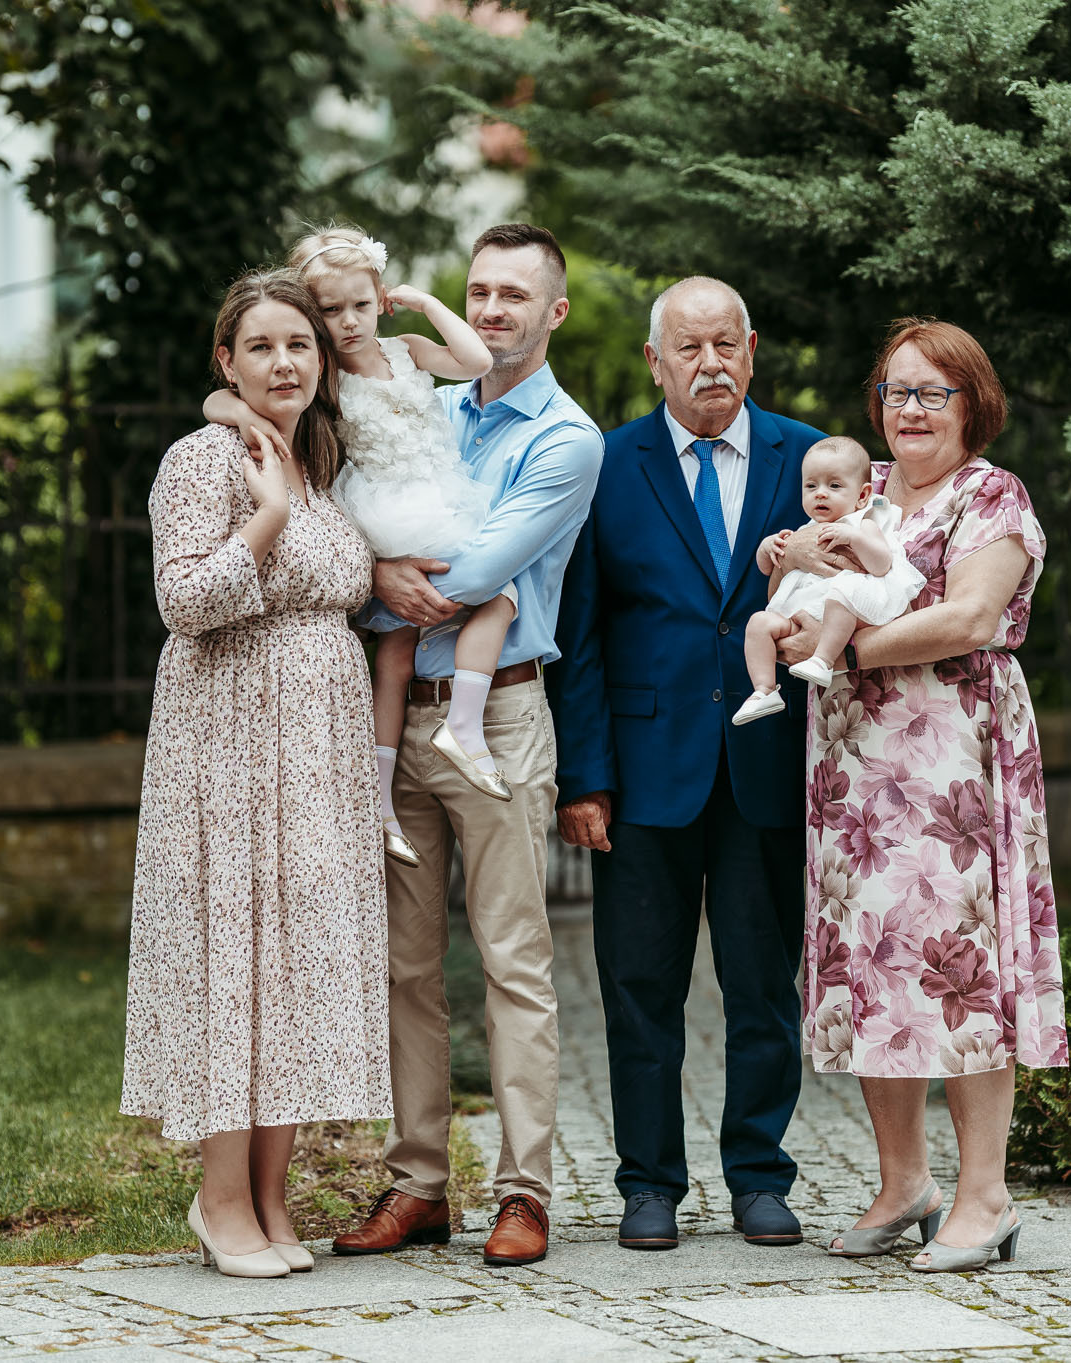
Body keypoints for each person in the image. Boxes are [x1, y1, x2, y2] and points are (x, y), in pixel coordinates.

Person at [330, 224, 602, 1270]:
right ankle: (417, 1184)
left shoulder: (566, 440)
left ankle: (524, 1191)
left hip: (499, 717)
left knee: (512, 960)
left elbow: (476, 572)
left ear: (553, 312)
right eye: (480, 289)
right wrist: (371, 569)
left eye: (513, 295)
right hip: (396, 715)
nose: (491, 309)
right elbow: (350, 530)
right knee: (404, 964)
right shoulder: (428, 402)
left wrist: (379, 573)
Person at [550, 275, 838, 1252]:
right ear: (654, 362)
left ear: (751, 351)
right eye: (688, 347)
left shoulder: (810, 459)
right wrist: (583, 778)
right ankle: (647, 1184)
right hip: (643, 774)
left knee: (763, 986)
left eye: (725, 345)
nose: (709, 364)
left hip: (770, 762)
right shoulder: (607, 465)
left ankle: (759, 1175)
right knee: (639, 989)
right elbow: (580, 633)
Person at [121, 272, 390, 1278]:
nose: (284, 363)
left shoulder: (319, 462)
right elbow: (184, 602)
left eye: (299, 345)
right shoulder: (203, 460)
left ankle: (272, 1197)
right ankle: (220, 1196)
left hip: (315, 747)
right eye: (262, 346)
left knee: (296, 961)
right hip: (229, 741)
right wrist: (266, 514)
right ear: (225, 362)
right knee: (233, 958)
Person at [805, 318, 1069, 1273]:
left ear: (973, 403)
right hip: (854, 768)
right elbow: (802, 579)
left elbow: (969, 616)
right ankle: (903, 1183)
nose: (909, 410)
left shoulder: (991, 494)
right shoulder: (862, 488)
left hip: (954, 761)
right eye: (895, 392)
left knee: (962, 967)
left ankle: (985, 1195)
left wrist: (844, 652)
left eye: (932, 393)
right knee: (874, 961)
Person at [203, 226, 503, 869]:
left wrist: (425, 302)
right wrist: (246, 415)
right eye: (331, 310)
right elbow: (217, 397)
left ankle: (449, 738)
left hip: (436, 491)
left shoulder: (408, 348)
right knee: (426, 632)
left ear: (381, 300)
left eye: (361, 305)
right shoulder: (325, 374)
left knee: (430, 629)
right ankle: (405, 781)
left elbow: (478, 362)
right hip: (387, 505)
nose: (348, 322)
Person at [732, 435, 925, 724]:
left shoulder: (864, 523)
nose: (820, 494)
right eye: (811, 486)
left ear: (862, 495)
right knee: (758, 623)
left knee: (841, 594)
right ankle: (764, 689)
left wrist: (854, 538)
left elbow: (882, 564)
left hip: (845, 612)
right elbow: (766, 568)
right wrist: (768, 547)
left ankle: (822, 659)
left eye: (834, 486)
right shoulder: (805, 530)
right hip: (805, 614)